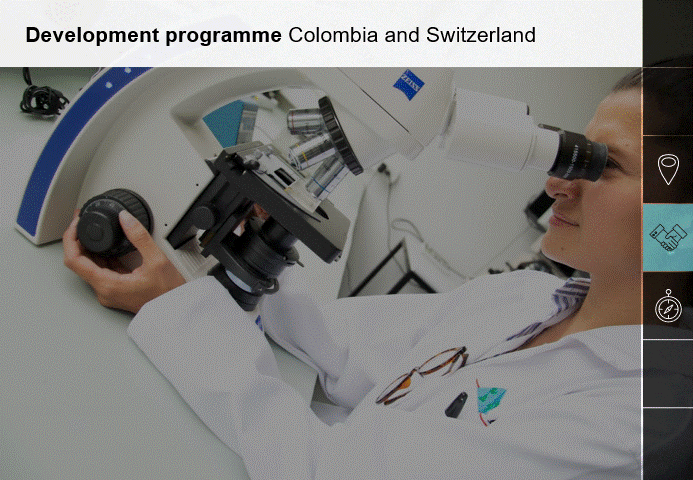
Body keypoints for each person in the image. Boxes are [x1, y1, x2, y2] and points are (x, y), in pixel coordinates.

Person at [63, 64, 692, 479]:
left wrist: (179, 315)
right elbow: (344, 348)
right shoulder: (529, 297)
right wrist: (241, 260)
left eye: (605, 167)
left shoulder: (634, 420)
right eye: (575, 156)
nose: (556, 182)